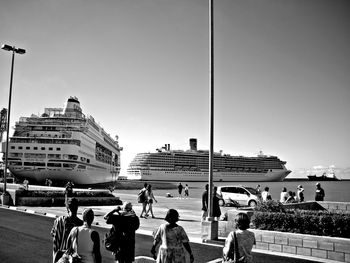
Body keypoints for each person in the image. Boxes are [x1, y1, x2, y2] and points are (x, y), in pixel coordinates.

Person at [51, 198, 83, 263]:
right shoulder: (81, 224)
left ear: (67, 208)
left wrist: (54, 260)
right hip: (74, 258)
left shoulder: (59, 221)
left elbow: (55, 244)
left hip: (62, 258)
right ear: (77, 208)